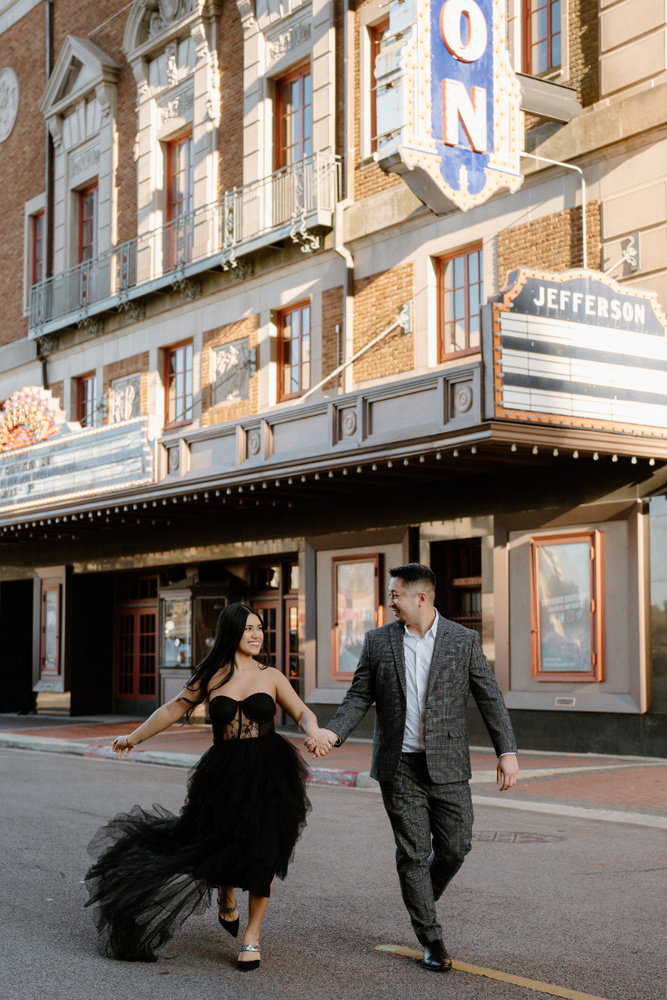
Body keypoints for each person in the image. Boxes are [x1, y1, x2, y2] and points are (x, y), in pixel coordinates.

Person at [85, 602, 332, 970]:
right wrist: (133, 737)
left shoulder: (272, 676)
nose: (256, 635)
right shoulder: (211, 677)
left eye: (259, 628)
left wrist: (315, 731)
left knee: (266, 851)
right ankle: (225, 893)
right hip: (223, 774)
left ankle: (252, 936)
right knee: (217, 842)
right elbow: (172, 709)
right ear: (232, 632)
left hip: (270, 771)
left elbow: (302, 712)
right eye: (248, 628)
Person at [306, 563, 519, 972]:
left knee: (456, 847)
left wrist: (506, 751)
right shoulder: (378, 642)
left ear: (420, 598)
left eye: (396, 594)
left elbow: (489, 697)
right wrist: (332, 732)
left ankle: (419, 897)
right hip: (398, 765)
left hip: (448, 764)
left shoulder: (463, 640)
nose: (390, 601)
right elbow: (358, 696)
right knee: (413, 853)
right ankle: (431, 937)